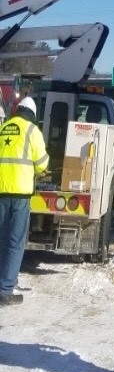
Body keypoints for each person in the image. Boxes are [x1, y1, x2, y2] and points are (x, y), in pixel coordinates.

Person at [0, 96, 49, 305]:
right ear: (32, 114)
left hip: (1, 191)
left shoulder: (4, 128)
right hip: (20, 194)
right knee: (15, 242)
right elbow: (41, 164)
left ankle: (6, 281)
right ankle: (6, 290)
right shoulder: (32, 131)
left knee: (2, 240)